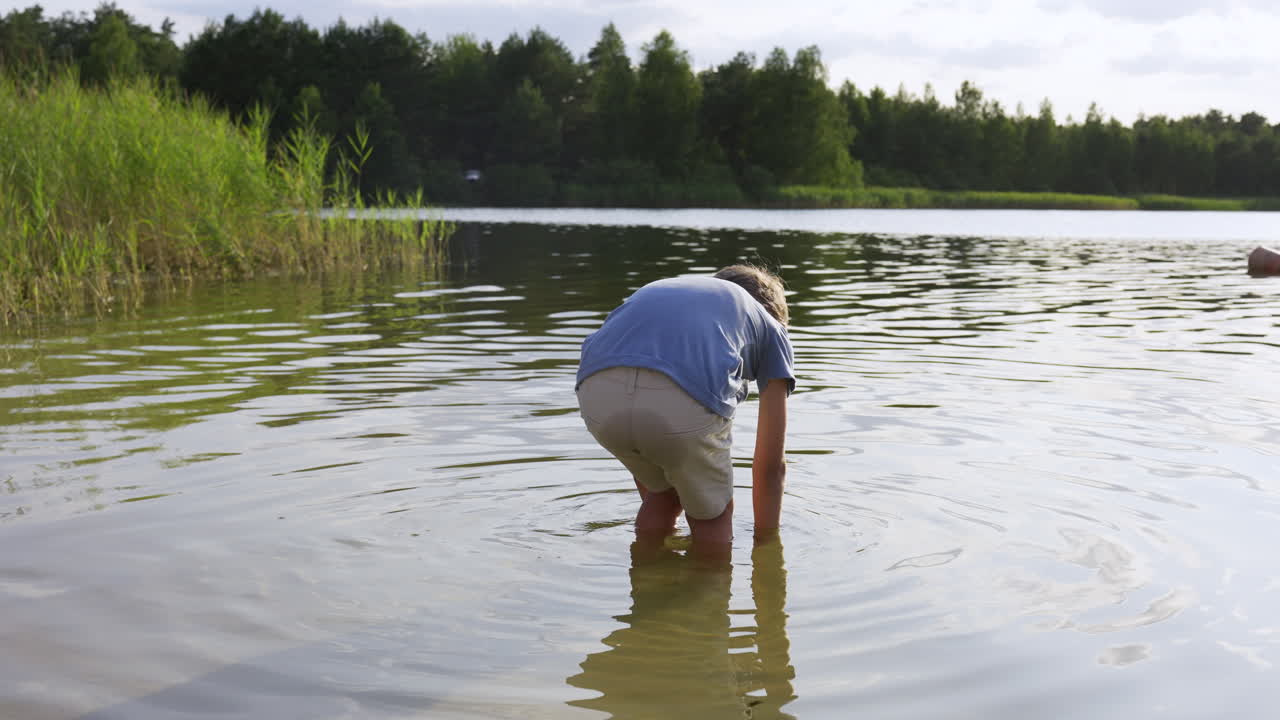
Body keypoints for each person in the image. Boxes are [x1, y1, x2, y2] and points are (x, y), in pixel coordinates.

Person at [575, 264, 795, 554]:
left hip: (594, 392)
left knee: (662, 495)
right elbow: (770, 467)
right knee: (713, 514)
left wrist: (664, 490)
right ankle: (704, 592)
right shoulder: (771, 326)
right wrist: (766, 543)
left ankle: (649, 576)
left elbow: (642, 416)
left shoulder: (668, 292)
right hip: (678, 404)